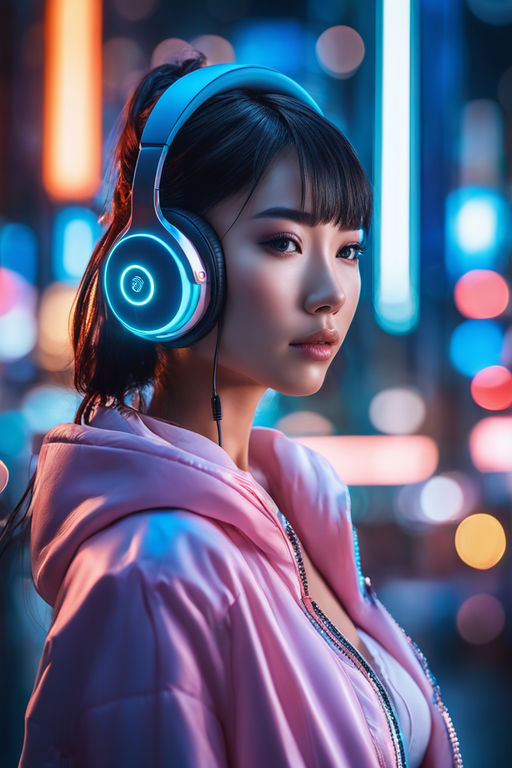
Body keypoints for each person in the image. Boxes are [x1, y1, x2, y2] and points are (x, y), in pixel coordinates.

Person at [7, 52, 461, 767]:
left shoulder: (296, 516)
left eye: (348, 250)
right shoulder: (152, 576)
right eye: (282, 242)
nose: (331, 292)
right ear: (168, 266)